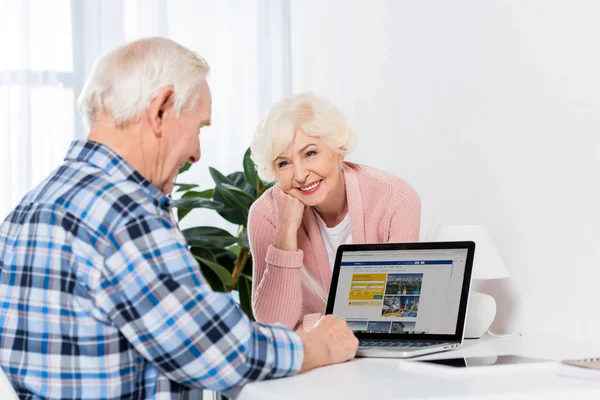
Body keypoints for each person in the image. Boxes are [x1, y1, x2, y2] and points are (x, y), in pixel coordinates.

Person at [0, 38, 358, 399]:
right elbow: (215, 349)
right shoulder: (123, 212)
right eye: (199, 128)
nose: (197, 153)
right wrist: (320, 346)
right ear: (161, 109)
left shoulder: (28, 209)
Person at [248, 92, 421, 331]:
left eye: (310, 153)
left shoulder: (395, 199)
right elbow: (273, 327)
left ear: (338, 150)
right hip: (310, 362)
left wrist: (314, 325)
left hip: (383, 358)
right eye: (284, 163)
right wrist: (286, 231)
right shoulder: (266, 214)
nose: (299, 175)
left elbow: (399, 313)